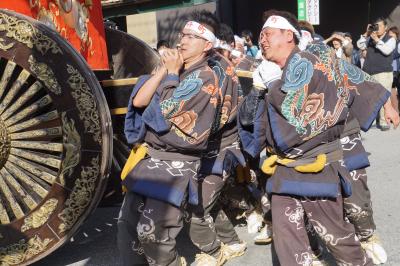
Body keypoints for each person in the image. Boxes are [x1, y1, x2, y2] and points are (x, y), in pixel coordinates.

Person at [239, 10, 399, 265]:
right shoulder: (265, 70)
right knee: (287, 239)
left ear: (288, 35)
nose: (262, 40)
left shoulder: (312, 60)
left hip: (317, 166)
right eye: (260, 36)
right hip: (284, 171)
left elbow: (344, 79)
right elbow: (254, 125)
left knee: (338, 238)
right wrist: (257, 92)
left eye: (267, 34)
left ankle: (363, 251)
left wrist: (384, 102)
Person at [118, 10, 242, 266]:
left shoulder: (205, 77)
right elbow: (140, 101)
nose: (182, 41)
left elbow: (162, 115)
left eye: (192, 36)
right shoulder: (175, 67)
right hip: (151, 158)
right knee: (127, 223)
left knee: (153, 231)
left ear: (207, 45)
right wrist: (165, 70)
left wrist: (170, 75)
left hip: (177, 162)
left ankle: (203, 254)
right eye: (182, 34)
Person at [357, 18, 397, 130]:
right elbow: (360, 45)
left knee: (384, 97)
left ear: (385, 27)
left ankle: (384, 121)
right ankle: (372, 121)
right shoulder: (370, 38)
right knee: (371, 97)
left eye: (379, 26)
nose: (377, 28)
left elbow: (387, 50)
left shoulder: (391, 39)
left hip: (383, 72)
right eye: (375, 26)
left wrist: (376, 40)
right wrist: (366, 33)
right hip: (369, 71)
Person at [388, 26, 400, 112]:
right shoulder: (387, 43)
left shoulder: (398, 43)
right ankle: (394, 112)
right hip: (389, 69)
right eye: (389, 34)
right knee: (391, 91)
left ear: (396, 34)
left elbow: (396, 54)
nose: (390, 35)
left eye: (391, 33)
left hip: (397, 69)